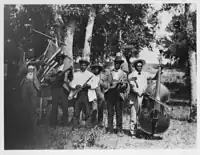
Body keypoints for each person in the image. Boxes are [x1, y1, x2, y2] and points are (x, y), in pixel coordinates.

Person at [128, 58, 160, 137]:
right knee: (134, 115)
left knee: (143, 115)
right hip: (134, 97)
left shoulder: (145, 74)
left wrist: (159, 71)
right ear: (135, 66)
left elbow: (154, 77)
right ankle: (133, 132)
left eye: (141, 66)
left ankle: (143, 131)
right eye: (138, 66)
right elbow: (133, 86)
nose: (139, 67)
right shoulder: (131, 75)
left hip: (144, 98)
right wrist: (139, 92)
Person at [68, 57, 98, 129]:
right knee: (76, 111)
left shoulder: (91, 75)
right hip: (78, 94)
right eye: (82, 65)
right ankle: (75, 126)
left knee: (88, 111)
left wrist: (89, 85)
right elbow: (71, 83)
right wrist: (76, 86)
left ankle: (87, 126)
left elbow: (95, 85)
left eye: (85, 65)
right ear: (80, 65)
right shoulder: (75, 74)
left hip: (87, 94)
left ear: (87, 66)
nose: (83, 66)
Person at [105, 56, 129, 136]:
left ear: (120, 64)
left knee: (119, 113)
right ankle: (110, 129)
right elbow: (106, 83)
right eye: (116, 63)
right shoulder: (109, 72)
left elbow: (126, 85)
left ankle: (119, 130)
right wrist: (109, 85)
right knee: (110, 113)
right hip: (110, 94)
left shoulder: (123, 74)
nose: (117, 64)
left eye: (119, 63)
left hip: (119, 95)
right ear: (114, 63)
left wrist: (122, 84)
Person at [44, 57, 70, 129]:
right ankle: (53, 124)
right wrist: (52, 79)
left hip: (63, 88)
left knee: (65, 106)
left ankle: (65, 124)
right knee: (54, 106)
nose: (60, 61)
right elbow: (46, 77)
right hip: (55, 88)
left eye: (61, 59)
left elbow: (71, 78)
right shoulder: (53, 69)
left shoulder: (66, 68)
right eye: (59, 60)